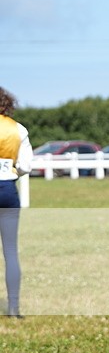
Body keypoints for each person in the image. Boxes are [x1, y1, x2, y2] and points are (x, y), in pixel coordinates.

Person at [0, 87, 32, 318]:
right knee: (10, 251)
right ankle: (13, 308)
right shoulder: (18, 129)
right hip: (8, 189)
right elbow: (24, 166)